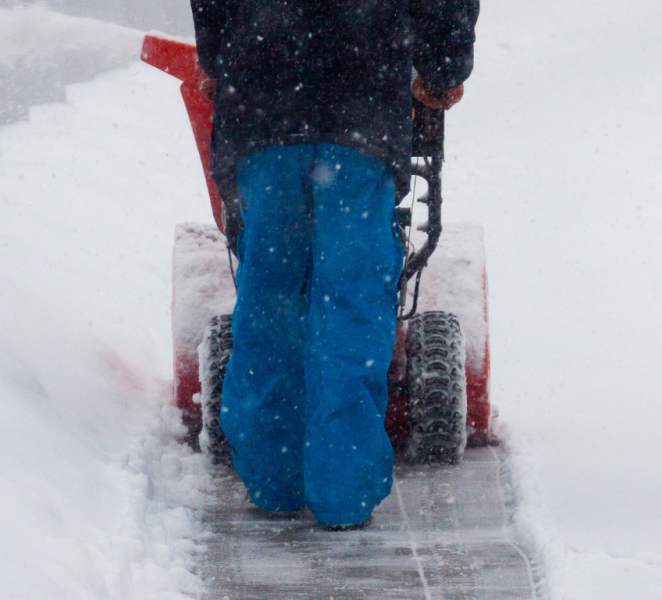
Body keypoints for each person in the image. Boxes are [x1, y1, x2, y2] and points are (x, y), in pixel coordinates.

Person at [190, 0, 478, 529]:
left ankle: (275, 482)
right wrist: (441, 68)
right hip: (360, 105)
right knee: (351, 303)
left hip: (262, 102)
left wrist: (215, 55)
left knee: (271, 296)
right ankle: (343, 494)